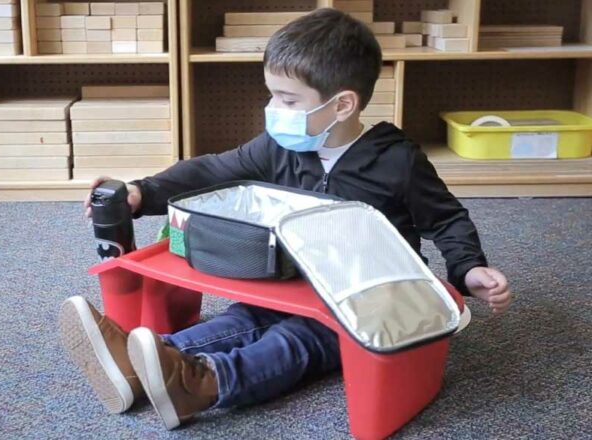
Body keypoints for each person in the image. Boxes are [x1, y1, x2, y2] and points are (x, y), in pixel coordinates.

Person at [61, 8, 512, 430]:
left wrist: (468, 268)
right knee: (245, 317)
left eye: (288, 99)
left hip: (367, 298)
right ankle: (149, 360)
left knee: (299, 340)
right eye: (273, 95)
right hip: (293, 281)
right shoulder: (280, 147)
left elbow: (447, 219)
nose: (274, 109)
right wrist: (144, 190)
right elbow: (215, 168)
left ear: (342, 105)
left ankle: (204, 383)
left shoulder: (397, 162)